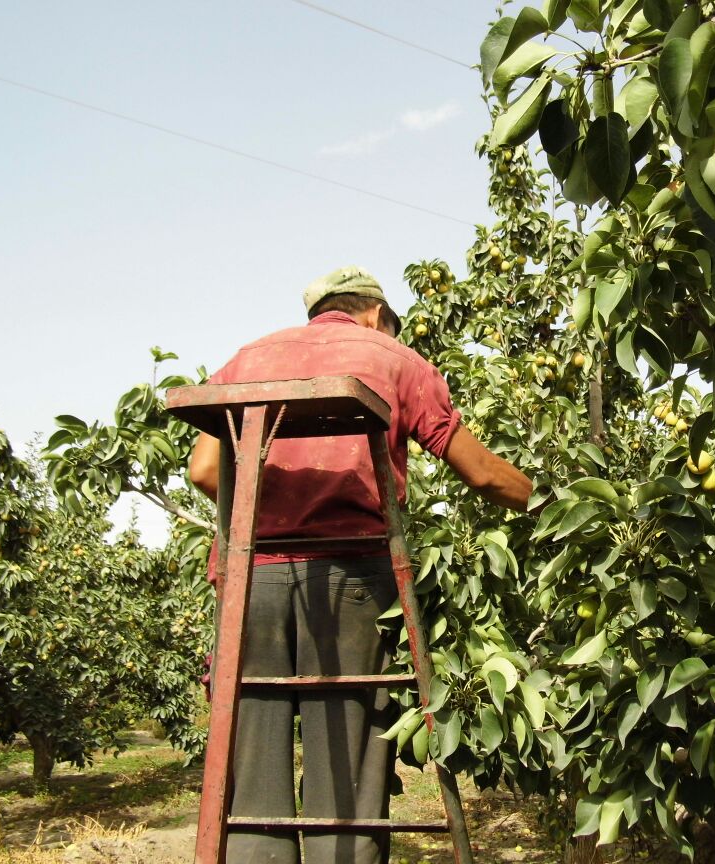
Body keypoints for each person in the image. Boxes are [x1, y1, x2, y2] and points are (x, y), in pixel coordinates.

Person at [188, 266, 532, 864]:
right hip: (352, 578)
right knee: (345, 763)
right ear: (374, 311)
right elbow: (479, 472)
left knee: (252, 762)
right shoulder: (390, 355)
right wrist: (553, 500)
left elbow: (205, 471)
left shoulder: (249, 357)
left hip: (253, 580)